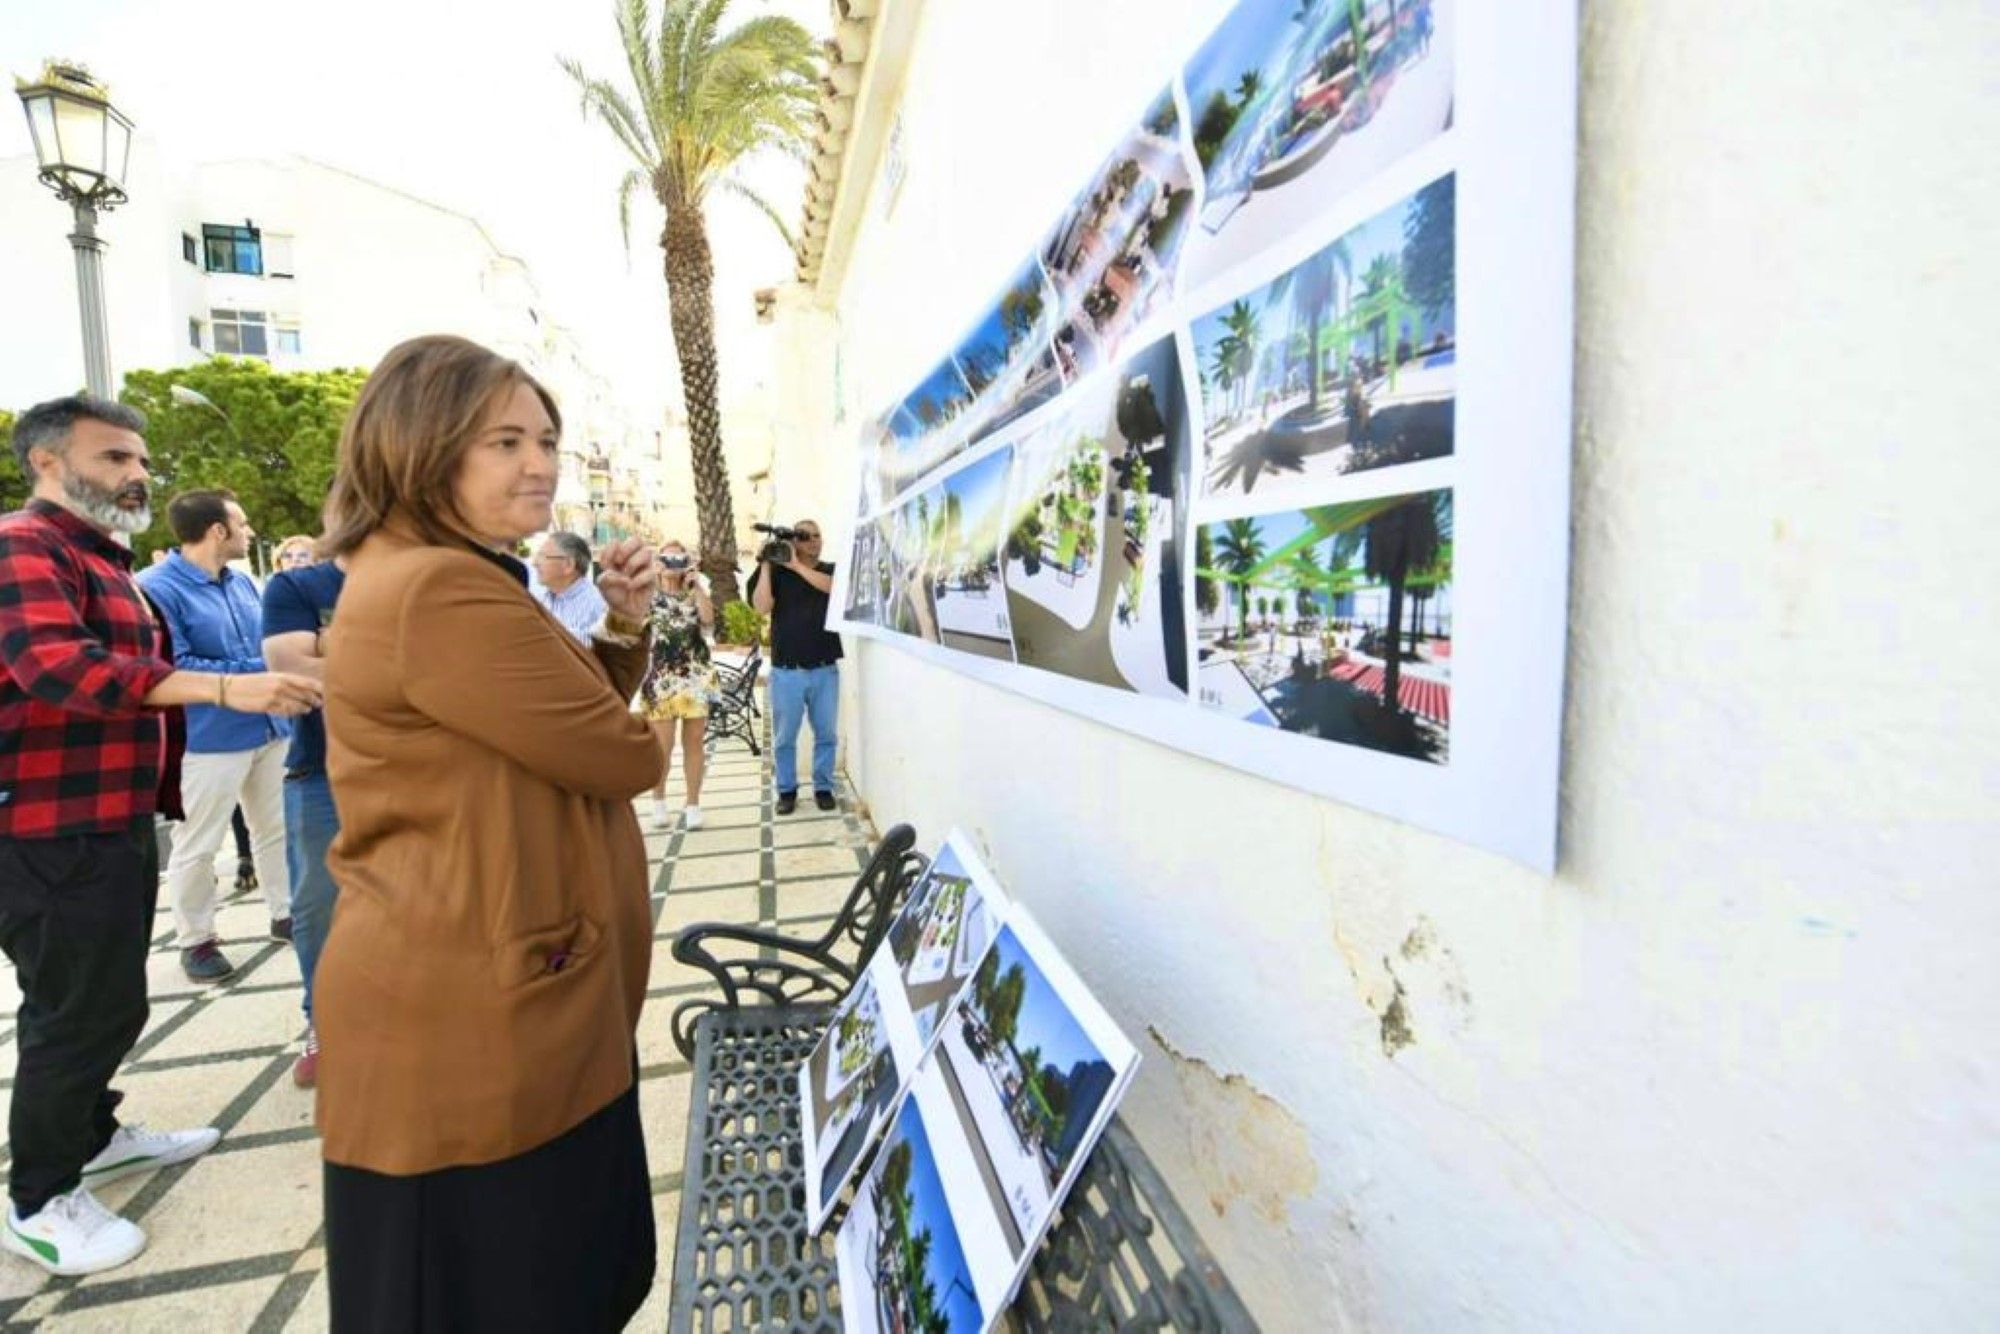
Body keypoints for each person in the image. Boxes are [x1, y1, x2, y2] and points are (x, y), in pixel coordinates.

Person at [314, 335, 663, 1330]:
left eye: (546, 438)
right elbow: (621, 754)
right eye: (502, 439)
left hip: (475, 985)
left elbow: (557, 726)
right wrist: (621, 696)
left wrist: (622, 628)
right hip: (469, 1011)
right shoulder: (443, 586)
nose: (539, 462)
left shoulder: (438, 572)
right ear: (421, 446)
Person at [0, 394, 319, 1275]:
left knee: (111, 1001)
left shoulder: (102, 558)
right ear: (49, 463)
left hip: (109, 817)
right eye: (114, 459)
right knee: (70, 1013)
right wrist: (224, 689)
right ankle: (38, 1199)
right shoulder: (22, 545)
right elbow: (54, 665)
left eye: (140, 460)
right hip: (44, 826)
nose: (137, 475)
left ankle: (95, 1138)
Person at [139, 491, 295, 982]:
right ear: (217, 531)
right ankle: (197, 939)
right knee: (198, 843)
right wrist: (262, 669)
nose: (250, 533)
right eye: (242, 524)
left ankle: (286, 913)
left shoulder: (244, 583)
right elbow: (171, 666)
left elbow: (267, 640)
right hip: (205, 737)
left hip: (269, 727)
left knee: (276, 828)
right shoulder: (154, 589)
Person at [260, 541, 346, 1087]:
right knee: (319, 911)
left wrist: (332, 646)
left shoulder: (434, 576)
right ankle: (325, 1026)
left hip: (428, 772)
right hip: (321, 773)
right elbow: (293, 671)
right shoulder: (297, 587)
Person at [748, 519, 842, 814]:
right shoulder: (774, 572)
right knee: (784, 737)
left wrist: (797, 567)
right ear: (794, 542)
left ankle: (823, 787)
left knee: (826, 734)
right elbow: (761, 607)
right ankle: (786, 791)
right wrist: (765, 564)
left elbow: (834, 590)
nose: (814, 541)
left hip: (824, 669)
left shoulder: (829, 570)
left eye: (817, 535)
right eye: (805, 536)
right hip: (787, 671)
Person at [637, 541, 718, 831]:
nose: (673, 564)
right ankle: (658, 802)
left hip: (695, 675)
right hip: (660, 678)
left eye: (678, 558)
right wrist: (650, 578)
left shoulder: (694, 590)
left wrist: (697, 586)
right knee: (663, 745)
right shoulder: (648, 593)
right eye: (666, 558)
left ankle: (693, 803)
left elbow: (709, 622)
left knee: (694, 742)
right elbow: (631, 623)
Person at [530, 530, 607, 644]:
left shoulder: (598, 605)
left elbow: (600, 650)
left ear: (568, 565)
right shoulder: (540, 598)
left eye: (543, 556)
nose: (534, 563)